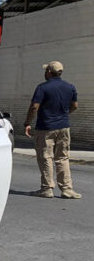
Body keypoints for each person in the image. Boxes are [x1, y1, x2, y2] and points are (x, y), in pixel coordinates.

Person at [24, 61, 81, 199]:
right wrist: (64, 115)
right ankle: (67, 189)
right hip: (64, 127)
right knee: (62, 157)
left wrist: (27, 123)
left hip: (46, 127)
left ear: (49, 72)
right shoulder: (70, 87)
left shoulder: (42, 88)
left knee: (45, 157)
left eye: (46, 71)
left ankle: (47, 188)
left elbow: (34, 107)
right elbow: (75, 106)